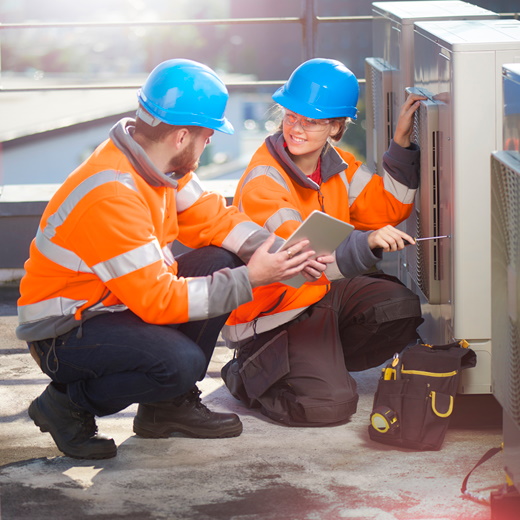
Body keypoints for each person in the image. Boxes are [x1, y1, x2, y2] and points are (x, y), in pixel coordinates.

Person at [16, 58, 320, 460]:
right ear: (180, 137)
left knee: (219, 259)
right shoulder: (112, 194)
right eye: (207, 134)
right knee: (179, 362)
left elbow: (214, 219)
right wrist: (253, 277)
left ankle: (165, 409)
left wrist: (278, 252)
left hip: (110, 305)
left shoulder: (158, 165)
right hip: (64, 332)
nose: (210, 142)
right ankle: (65, 405)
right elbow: (158, 301)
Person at [221, 58, 426, 427]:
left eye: (311, 120)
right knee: (327, 407)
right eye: (291, 116)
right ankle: (248, 371)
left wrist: (401, 143)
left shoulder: (337, 166)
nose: (296, 128)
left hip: (321, 294)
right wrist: (366, 243)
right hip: (274, 314)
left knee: (401, 307)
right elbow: (299, 265)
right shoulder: (263, 182)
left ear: (335, 127)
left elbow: (388, 208)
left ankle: (314, 362)